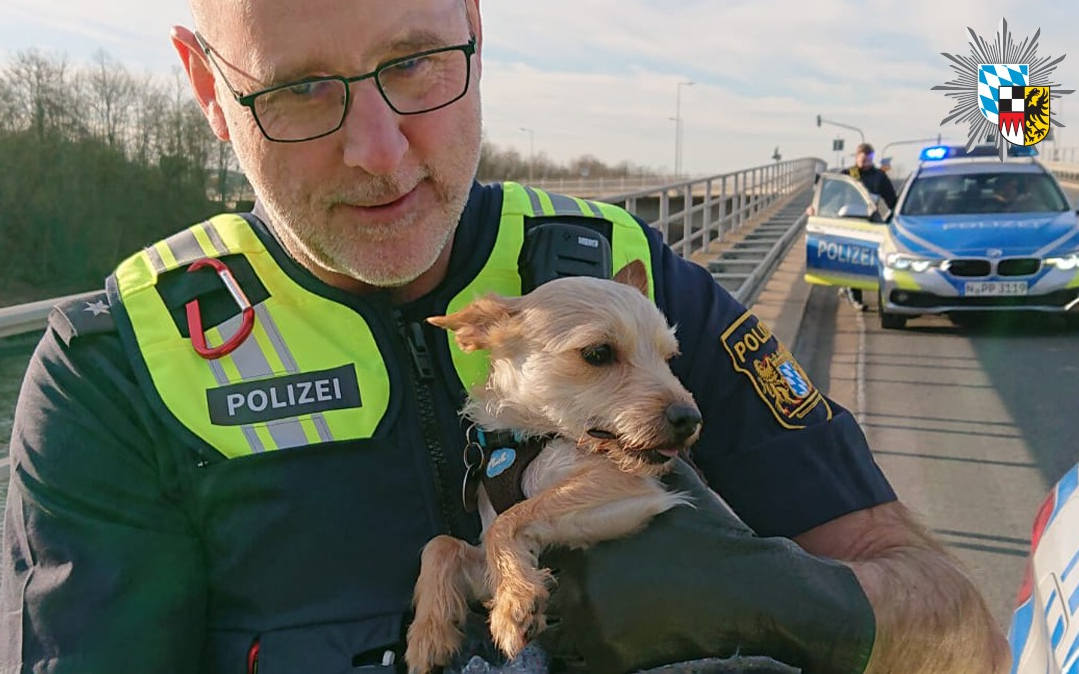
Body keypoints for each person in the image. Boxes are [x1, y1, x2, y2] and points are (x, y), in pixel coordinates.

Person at [0, 2, 1008, 673]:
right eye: (299, 88)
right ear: (208, 89)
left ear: (474, 27)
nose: (379, 152)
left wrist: (781, 597)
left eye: (417, 61)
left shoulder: (638, 284)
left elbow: (962, 629)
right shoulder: (121, 367)